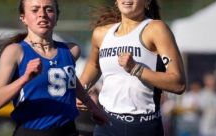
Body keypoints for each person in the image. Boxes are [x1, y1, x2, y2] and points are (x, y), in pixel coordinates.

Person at [0, 0, 107, 136]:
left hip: (67, 131)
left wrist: (92, 107)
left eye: (48, 9)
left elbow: (70, 81)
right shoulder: (15, 51)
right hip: (31, 132)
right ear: (23, 18)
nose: (42, 14)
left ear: (56, 17)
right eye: (35, 10)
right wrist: (25, 78)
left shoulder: (71, 50)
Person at [78, 0, 186, 135]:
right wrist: (80, 92)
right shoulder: (101, 34)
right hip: (107, 125)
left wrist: (136, 69)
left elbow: (178, 84)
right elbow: (94, 65)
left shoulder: (156, 29)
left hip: (144, 127)